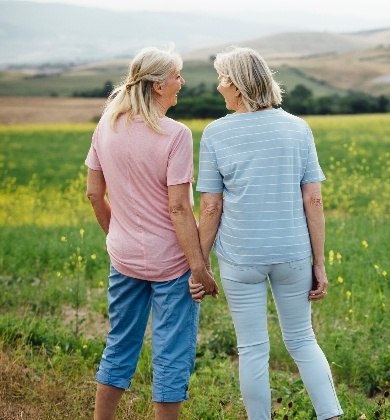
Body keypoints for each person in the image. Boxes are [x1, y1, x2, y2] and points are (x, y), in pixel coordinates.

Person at [189, 46, 343, 420]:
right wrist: (319, 263)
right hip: (293, 254)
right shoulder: (298, 127)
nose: (219, 86)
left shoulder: (216, 134)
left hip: (241, 257)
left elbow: (211, 207)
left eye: (223, 79)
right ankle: (331, 414)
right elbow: (314, 201)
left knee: (253, 349)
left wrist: (200, 265)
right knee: (303, 340)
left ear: (238, 87)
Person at [85, 44, 218, 420]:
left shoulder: (106, 125)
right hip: (172, 264)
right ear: (159, 85)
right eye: (177, 76)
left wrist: (117, 235)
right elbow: (179, 208)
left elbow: (94, 193)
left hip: (123, 258)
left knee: (120, 343)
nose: (182, 82)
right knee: (171, 352)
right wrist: (199, 268)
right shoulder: (175, 135)